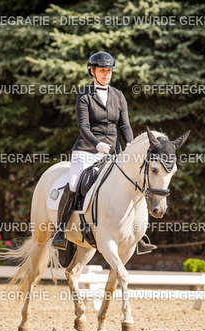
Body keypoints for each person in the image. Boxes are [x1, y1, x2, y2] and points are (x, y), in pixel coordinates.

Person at [52, 52, 157, 254]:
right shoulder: (85, 95)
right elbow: (83, 126)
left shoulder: (118, 96)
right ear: (92, 71)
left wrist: (130, 145)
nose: (106, 74)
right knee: (74, 184)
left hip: (113, 152)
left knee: (135, 183)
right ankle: (60, 230)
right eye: (102, 70)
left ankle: (138, 235)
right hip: (87, 150)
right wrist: (97, 144)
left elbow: (124, 126)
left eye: (109, 70)